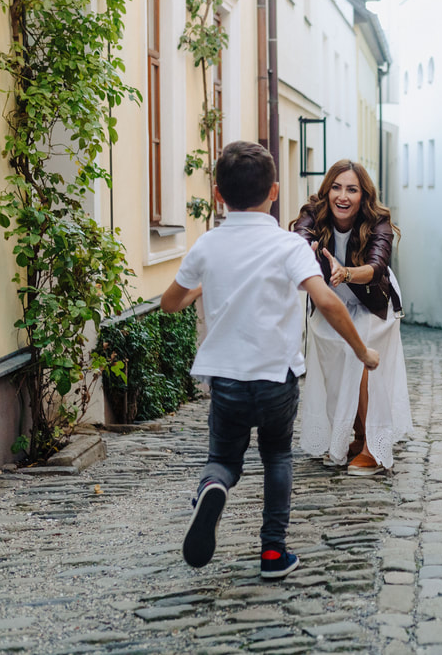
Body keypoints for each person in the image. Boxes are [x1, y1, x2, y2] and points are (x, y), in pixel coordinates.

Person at [161, 141, 379, 580]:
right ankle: (273, 553)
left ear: (219, 194)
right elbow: (329, 303)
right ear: (274, 192)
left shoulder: (207, 246)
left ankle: (213, 485)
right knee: (277, 457)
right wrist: (361, 350)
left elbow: (170, 302)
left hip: (225, 377)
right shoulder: (289, 247)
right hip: (276, 377)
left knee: (223, 456)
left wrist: (202, 287)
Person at [290, 160, 412, 477]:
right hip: (331, 302)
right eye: (337, 187)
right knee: (333, 356)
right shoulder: (312, 214)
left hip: (374, 300)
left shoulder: (378, 221)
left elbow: (377, 267)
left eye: (352, 190)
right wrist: (304, 254)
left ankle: (371, 447)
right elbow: (298, 243)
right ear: (327, 190)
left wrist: (345, 273)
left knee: (357, 353)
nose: (343, 196)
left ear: (363, 196)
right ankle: (350, 437)